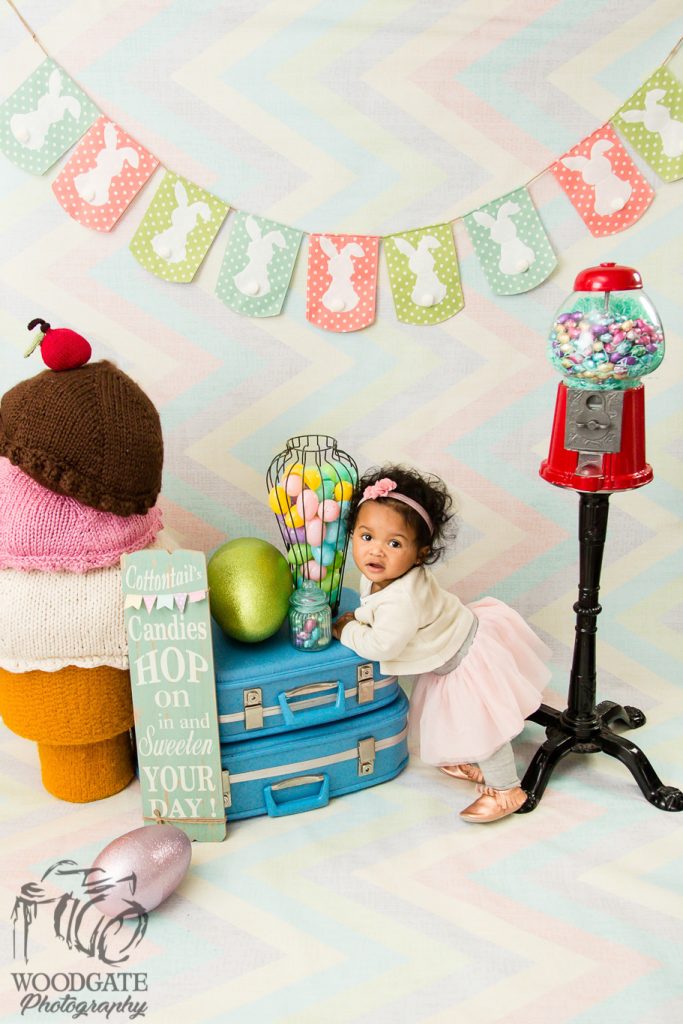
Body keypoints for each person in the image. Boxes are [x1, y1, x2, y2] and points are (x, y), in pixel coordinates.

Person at [332, 465, 551, 823]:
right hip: (452, 640)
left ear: (420, 554)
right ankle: (464, 756)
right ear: (353, 534)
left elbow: (382, 645)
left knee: (482, 723)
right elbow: (377, 612)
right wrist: (361, 617)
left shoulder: (402, 600)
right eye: (366, 536)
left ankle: (506, 789)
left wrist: (347, 630)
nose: (376, 552)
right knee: (451, 717)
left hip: (463, 657)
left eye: (394, 543)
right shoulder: (382, 575)